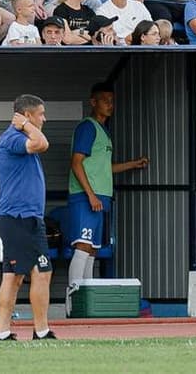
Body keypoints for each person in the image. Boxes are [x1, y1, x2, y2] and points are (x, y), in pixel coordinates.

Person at [66, 83, 148, 291]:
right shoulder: (88, 127)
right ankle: (73, 295)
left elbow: (103, 168)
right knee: (83, 245)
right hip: (86, 198)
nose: (110, 105)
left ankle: (86, 295)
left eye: (112, 101)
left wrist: (133, 164)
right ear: (93, 102)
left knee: (93, 249)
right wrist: (91, 195)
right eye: (105, 101)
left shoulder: (104, 131)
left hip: (101, 198)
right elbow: (76, 162)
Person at [0, 93, 55, 342]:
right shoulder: (13, 138)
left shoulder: (22, 136)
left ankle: (4, 332)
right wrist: (26, 125)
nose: (44, 119)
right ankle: (39, 331)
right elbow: (42, 144)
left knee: (16, 275)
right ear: (27, 115)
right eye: (40, 114)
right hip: (16, 217)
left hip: (25, 217)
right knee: (38, 271)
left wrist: (27, 126)